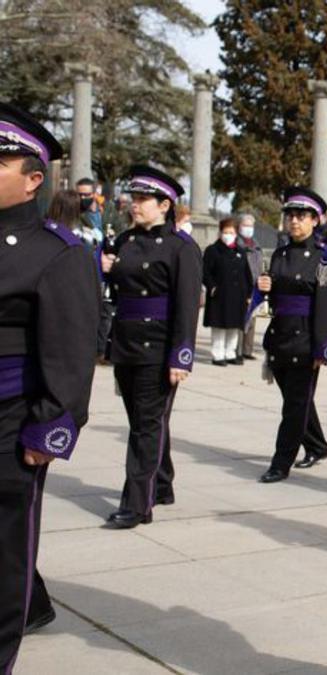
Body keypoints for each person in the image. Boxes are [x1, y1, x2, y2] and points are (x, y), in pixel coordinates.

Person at [0, 101, 100, 671]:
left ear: (34, 179)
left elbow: (68, 351)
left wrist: (52, 427)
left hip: (11, 421)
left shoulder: (57, 253)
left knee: (6, 559)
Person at [100, 165, 201, 528]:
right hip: (126, 343)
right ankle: (162, 483)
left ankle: (136, 504)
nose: (135, 205)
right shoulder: (125, 241)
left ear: (164, 205)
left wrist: (181, 356)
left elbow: (187, 306)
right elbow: (118, 291)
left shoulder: (181, 247)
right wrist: (106, 269)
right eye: (134, 198)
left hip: (157, 348)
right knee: (146, 421)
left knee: (145, 427)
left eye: (143, 199)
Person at [257, 188, 327, 483]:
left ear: (315, 220)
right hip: (279, 336)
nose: (294, 221)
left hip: (305, 340)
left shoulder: (323, 258)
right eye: (290, 215)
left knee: (294, 406)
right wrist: (264, 286)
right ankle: (317, 445)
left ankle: (281, 462)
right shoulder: (279, 254)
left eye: (302, 216)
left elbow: (326, 306)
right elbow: (274, 297)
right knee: (298, 400)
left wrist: (323, 348)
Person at [202, 218, 254, 366]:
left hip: (238, 296)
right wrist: (212, 287)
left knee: (234, 326)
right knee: (219, 326)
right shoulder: (213, 250)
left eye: (231, 232)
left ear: (236, 233)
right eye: (225, 232)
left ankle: (230, 352)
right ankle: (217, 354)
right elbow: (205, 272)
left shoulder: (240, 251)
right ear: (220, 232)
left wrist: (249, 293)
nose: (228, 234)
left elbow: (247, 273)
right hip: (220, 295)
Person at [236, 213, 263, 361]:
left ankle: (248, 350)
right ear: (239, 226)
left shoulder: (256, 244)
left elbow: (260, 264)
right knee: (240, 318)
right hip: (241, 284)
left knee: (252, 319)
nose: (248, 228)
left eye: (251, 226)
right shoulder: (237, 244)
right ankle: (237, 350)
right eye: (245, 225)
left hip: (255, 284)